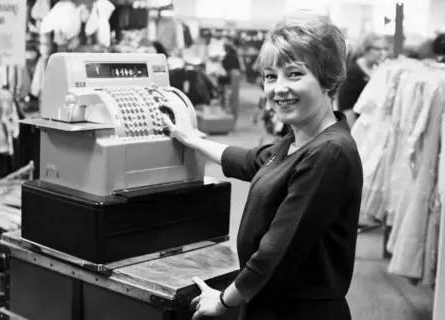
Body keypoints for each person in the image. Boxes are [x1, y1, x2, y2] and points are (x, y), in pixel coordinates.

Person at [160, 10, 363, 320]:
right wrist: (191, 137)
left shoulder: (329, 154)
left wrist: (225, 301)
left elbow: (277, 251)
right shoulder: (300, 140)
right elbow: (252, 160)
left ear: (327, 78)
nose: (278, 88)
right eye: (271, 76)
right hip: (270, 302)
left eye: (294, 74)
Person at [337, 33, 389, 128]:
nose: (382, 53)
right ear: (365, 50)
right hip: (357, 126)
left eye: (385, 49)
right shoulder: (353, 72)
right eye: (377, 49)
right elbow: (346, 108)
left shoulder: (380, 69)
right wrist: (354, 134)